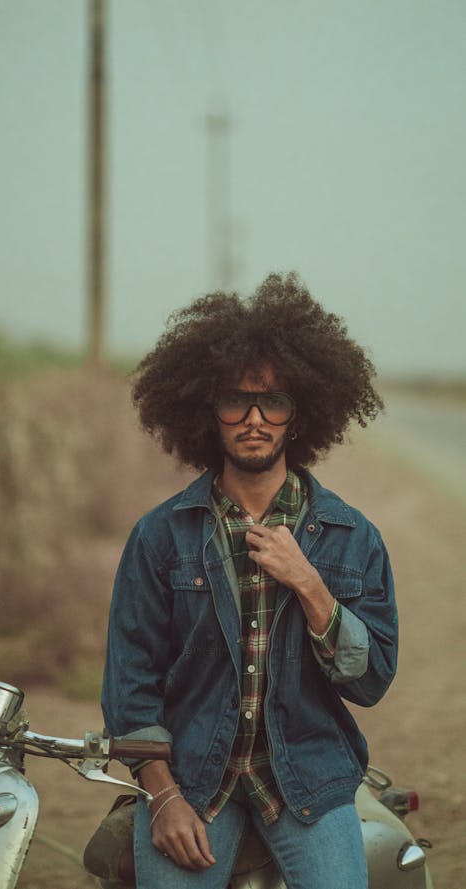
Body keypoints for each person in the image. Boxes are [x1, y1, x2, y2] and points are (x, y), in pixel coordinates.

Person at [101, 272, 398, 889]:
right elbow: (131, 685)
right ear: (209, 412)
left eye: (275, 402)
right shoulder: (161, 536)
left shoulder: (353, 537)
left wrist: (311, 586)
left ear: (301, 415)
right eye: (237, 400)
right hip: (193, 781)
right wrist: (162, 798)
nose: (255, 418)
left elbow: (371, 680)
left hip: (309, 779)